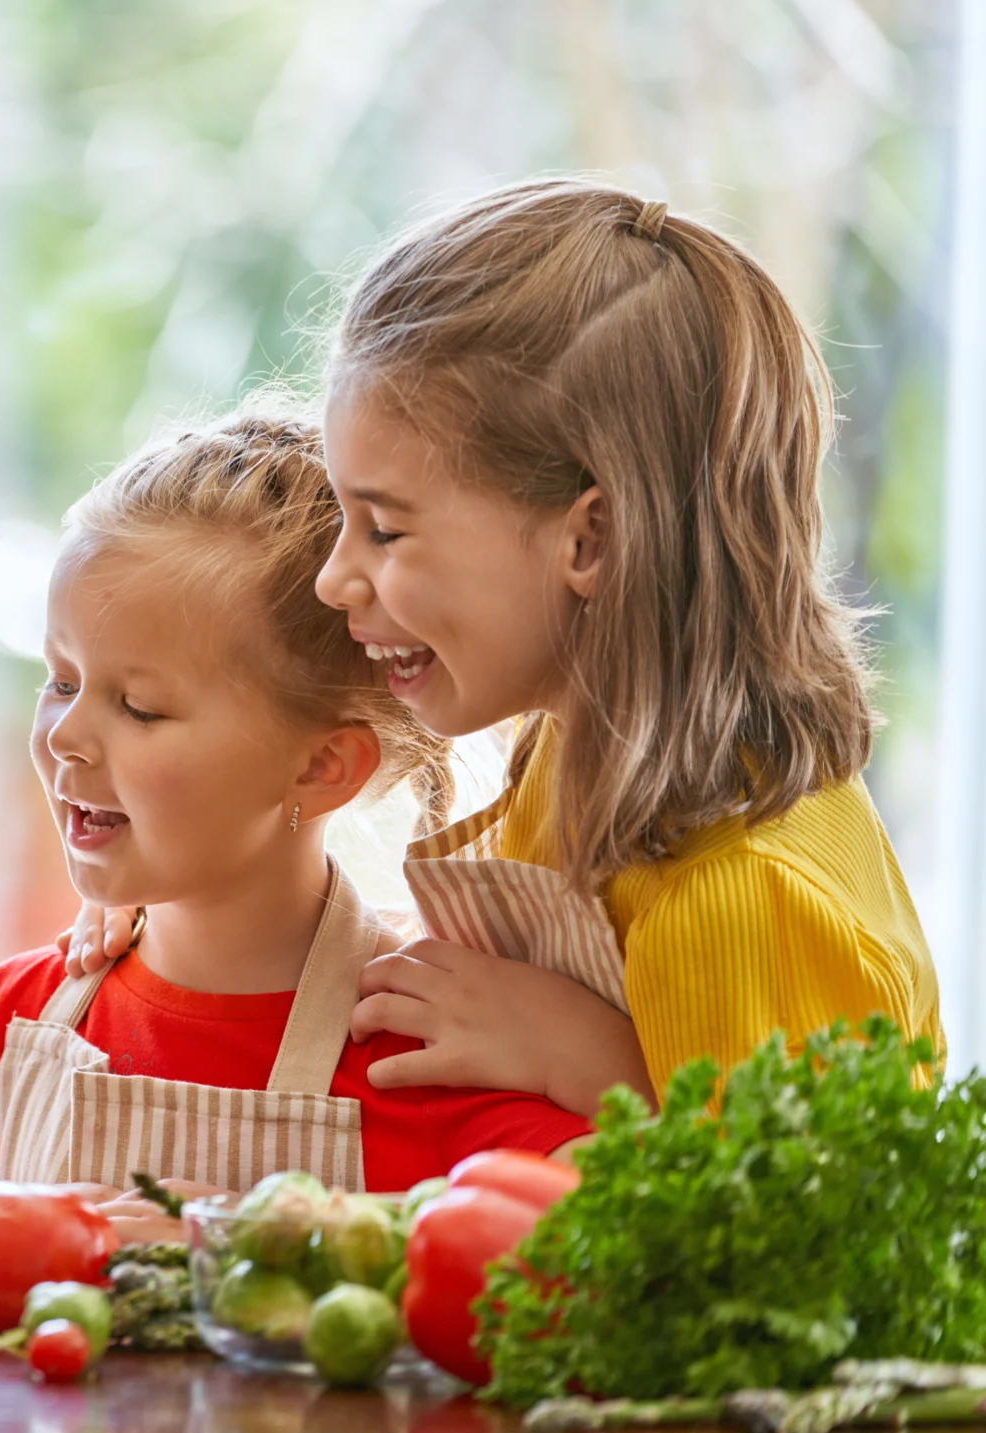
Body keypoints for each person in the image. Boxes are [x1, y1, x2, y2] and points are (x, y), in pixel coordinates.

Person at [70, 181, 940, 1117]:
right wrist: (192, 907)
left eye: (386, 531)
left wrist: (588, 1057)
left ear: (589, 542)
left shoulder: (745, 896)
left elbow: (798, 1244)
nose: (335, 579)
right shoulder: (583, 748)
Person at [0, 410, 589, 1256]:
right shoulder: (22, 1018)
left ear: (324, 766)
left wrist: (290, 1245)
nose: (67, 736)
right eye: (61, 680)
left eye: (140, 708)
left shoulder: (424, 1040)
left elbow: (624, 1232)